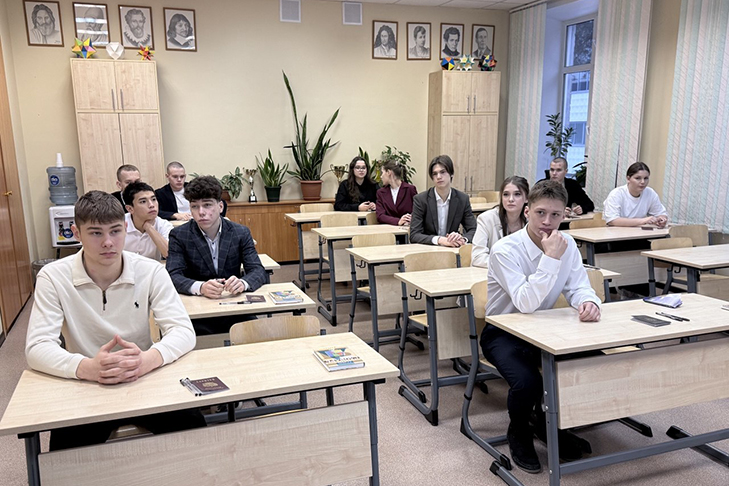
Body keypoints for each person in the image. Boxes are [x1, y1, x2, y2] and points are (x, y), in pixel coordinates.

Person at [26, 190, 204, 451]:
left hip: (144, 377)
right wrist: (87, 367)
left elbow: (183, 331)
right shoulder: (52, 277)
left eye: (115, 231)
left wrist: (147, 360)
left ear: (125, 228)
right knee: (65, 457)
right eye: (96, 233)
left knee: (196, 433)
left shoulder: (151, 270)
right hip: (86, 384)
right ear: (77, 233)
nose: (108, 242)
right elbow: (37, 347)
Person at [480, 180, 600, 473]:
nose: (547, 221)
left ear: (564, 215)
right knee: (528, 382)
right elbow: (525, 302)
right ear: (527, 211)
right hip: (503, 331)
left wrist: (589, 301)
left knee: (585, 362)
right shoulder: (505, 250)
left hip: (544, 329)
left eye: (555, 215)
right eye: (540, 213)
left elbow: (578, 286)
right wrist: (550, 258)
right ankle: (519, 430)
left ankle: (551, 424)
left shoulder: (567, 245)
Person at [166, 176, 268, 335]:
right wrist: (200, 287)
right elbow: (173, 275)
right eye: (195, 206)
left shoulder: (240, 232)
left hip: (233, 305)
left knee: (256, 335)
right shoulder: (179, 235)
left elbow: (258, 270)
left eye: (207, 205)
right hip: (197, 308)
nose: (201, 212)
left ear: (220, 206)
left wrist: (243, 283)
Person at [410, 155, 476, 246]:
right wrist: (439, 240)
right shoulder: (421, 200)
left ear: (451, 173)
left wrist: (462, 239)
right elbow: (414, 235)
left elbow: (473, 229)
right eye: (435, 174)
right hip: (428, 248)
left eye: (442, 172)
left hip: (452, 248)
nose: (439, 177)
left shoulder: (462, 199)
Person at [471, 176, 529, 268]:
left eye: (517, 194)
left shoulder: (531, 221)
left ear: (527, 198)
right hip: (492, 272)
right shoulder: (486, 219)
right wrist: (507, 264)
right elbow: (477, 257)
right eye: (506, 194)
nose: (510, 199)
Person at [603, 162, 668, 227]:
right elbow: (612, 220)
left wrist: (662, 218)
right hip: (615, 231)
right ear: (628, 179)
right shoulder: (616, 194)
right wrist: (643, 221)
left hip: (638, 231)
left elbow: (660, 213)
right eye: (638, 178)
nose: (643, 182)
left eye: (646, 178)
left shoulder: (650, 193)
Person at [123, 181, 173, 261]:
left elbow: (170, 254)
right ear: (130, 209)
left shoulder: (164, 225)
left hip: (152, 268)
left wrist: (149, 228)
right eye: (143, 201)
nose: (151, 205)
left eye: (153, 199)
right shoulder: (119, 225)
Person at [376, 160, 418, 226]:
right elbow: (380, 216)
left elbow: (418, 211)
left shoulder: (410, 189)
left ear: (388, 172)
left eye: (382, 172)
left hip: (408, 228)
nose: (381, 176)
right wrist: (398, 221)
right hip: (389, 229)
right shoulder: (381, 193)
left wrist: (410, 219)